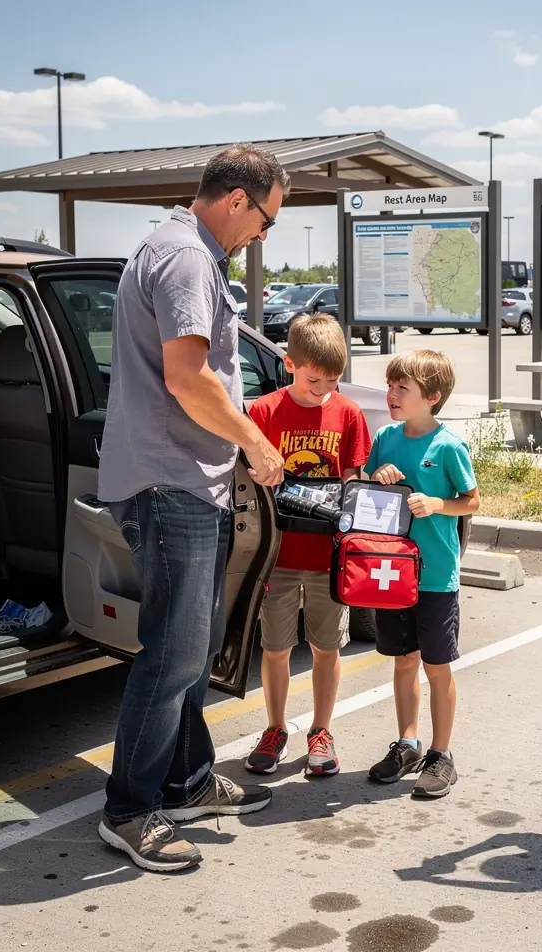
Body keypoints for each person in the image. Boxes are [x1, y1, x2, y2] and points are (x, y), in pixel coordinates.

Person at [96, 145, 290, 872]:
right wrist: (255, 444)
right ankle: (130, 810)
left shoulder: (184, 252)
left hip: (185, 479)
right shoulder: (183, 258)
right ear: (237, 200)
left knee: (196, 647)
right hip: (168, 483)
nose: (265, 234)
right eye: (267, 218)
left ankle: (184, 780)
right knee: (173, 654)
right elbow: (188, 375)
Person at [243, 313, 371, 777]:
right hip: (276, 555)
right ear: (289, 363)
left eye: (333, 381)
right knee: (275, 647)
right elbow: (247, 480)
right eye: (315, 380)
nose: (323, 390)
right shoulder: (263, 413)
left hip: (327, 558)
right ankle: (275, 727)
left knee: (327, 647)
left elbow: (353, 480)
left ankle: (321, 729)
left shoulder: (349, 414)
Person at [364, 351, 480, 799]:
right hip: (391, 570)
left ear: (431, 397)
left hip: (434, 575)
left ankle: (441, 753)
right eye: (390, 386)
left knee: (436, 665)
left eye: (401, 389)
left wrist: (436, 504)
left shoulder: (449, 445)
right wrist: (376, 475)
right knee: (403, 660)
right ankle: (408, 743)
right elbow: (366, 486)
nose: (391, 395)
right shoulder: (385, 437)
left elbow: (471, 501)